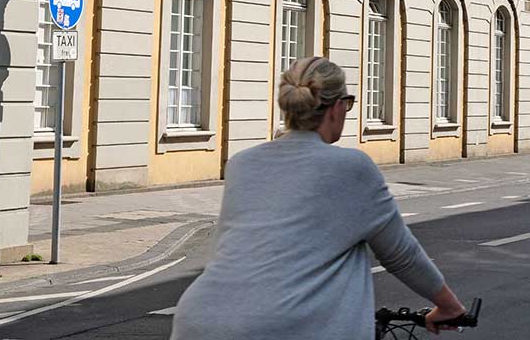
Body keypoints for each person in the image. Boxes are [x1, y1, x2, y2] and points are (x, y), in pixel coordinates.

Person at [170, 57, 466, 340]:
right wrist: (449, 307)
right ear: (337, 108)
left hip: (200, 320)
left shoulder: (241, 164)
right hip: (287, 326)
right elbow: (402, 255)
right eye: (348, 106)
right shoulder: (352, 167)